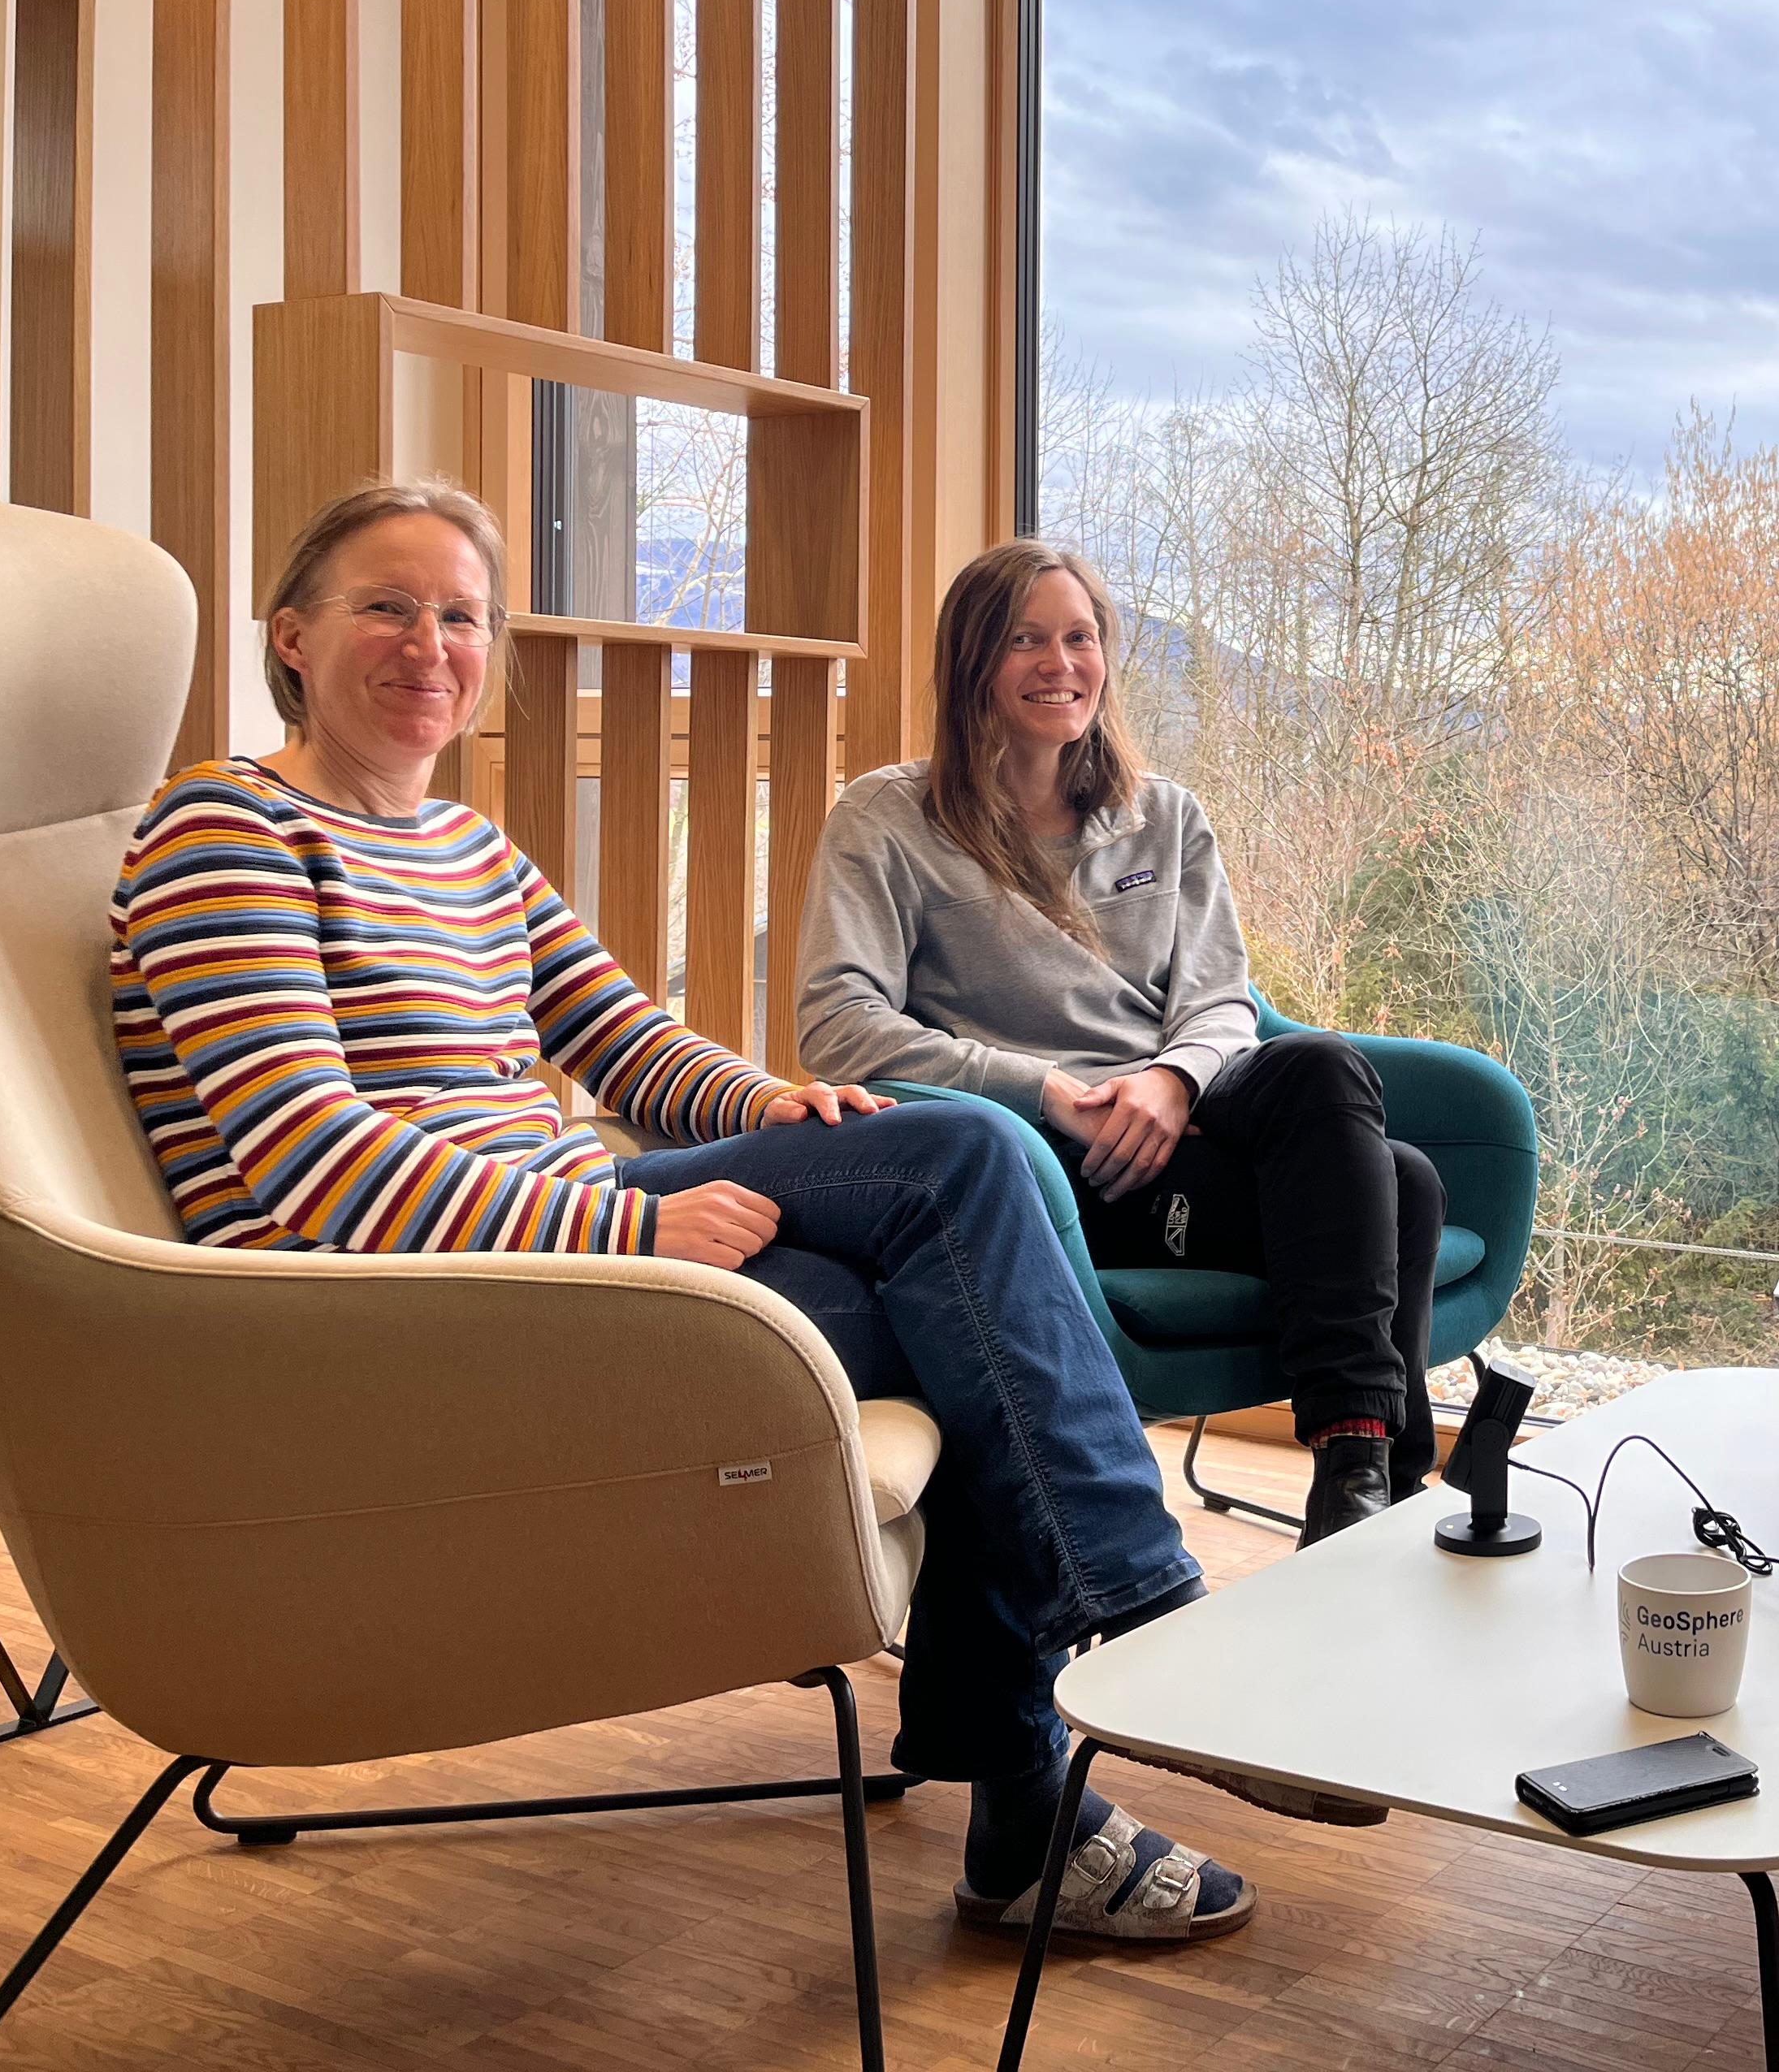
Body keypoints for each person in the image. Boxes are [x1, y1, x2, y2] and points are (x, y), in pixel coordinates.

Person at [110, 478, 1368, 1953]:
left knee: (950, 1234)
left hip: (536, 1232)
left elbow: (630, 1042)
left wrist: (772, 1110)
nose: (430, 641)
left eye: (462, 613)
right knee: (961, 1201)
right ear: (291, 638)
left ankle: (1037, 1797)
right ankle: (1140, 1639)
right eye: (387, 604)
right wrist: (625, 1234)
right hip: (390, 1300)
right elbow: (308, 1163)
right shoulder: (227, 827)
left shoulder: (472, 852)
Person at [794, 539, 1448, 1547]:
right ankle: (1371, 1488)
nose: (1061, 664)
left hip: (1177, 1108)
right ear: (973, 662)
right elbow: (839, 1025)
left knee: (1322, 1066)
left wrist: (1177, 1081)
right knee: (1404, 1186)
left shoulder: (1165, 816)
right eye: (1026, 641)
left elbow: (1222, 999)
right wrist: (1049, 1090)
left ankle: (1357, 1484)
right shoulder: (889, 819)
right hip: (1048, 1152)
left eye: (1080, 637)